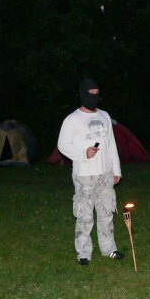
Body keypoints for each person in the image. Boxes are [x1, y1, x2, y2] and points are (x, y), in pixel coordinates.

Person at [57, 78, 125, 265]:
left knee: (106, 213)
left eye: (96, 94)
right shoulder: (72, 119)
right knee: (84, 215)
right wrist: (83, 153)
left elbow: (111, 144)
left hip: (105, 173)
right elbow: (62, 145)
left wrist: (116, 169)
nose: (94, 97)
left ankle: (109, 249)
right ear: (83, 95)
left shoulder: (104, 115)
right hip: (84, 175)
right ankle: (84, 253)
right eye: (90, 94)